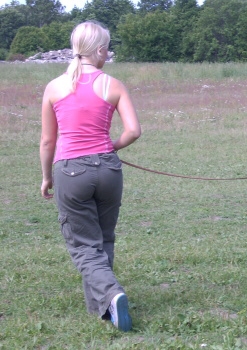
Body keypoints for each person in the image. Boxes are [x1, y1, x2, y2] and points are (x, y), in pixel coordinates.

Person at [40, 21, 141, 332]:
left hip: (71, 170)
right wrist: (108, 147)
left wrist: (47, 177)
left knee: (84, 244)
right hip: (109, 169)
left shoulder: (55, 87)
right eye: (106, 48)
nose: (108, 53)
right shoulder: (114, 85)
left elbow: (47, 141)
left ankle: (111, 294)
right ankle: (102, 305)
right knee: (103, 237)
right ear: (98, 50)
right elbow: (133, 131)